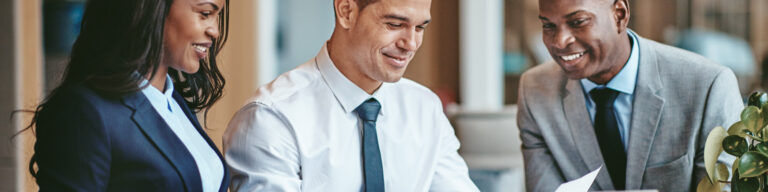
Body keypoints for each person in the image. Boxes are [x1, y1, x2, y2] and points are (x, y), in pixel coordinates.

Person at [223, 0, 479, 191]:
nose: (410, 44)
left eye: (420, 28)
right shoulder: (272, 118)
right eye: (395, 24)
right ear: (346, 11)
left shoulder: (425, 109)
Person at [517, 0, 743, 191]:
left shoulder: (708, 86)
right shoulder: (535, 91)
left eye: (577, 22)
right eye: (548, 26)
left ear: (619, 15)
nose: (559, 41)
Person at [28, 0, 230, 191]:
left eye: (217, 16)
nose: (215, 31)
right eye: (205, 14)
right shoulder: (85, 112)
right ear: (155, 8)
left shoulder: (173, 102)